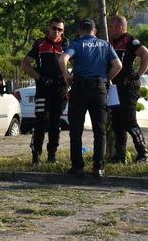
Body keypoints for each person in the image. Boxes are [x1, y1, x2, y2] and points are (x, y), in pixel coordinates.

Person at [59, 19, 122, 178]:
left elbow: (62, 59)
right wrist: (106, 79)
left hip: (79, 88)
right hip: (99, 88)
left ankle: (77, 167)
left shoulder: (77, 44)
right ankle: (98, 167)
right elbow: (118, 65)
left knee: (76, 130)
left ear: (80, 31)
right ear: (95, 30)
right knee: (99, 130)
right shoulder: (105, 45)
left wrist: (66, 75)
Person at [21, 17, 68, 166]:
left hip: (60, 89)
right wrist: (40, 77)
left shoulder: (67, 45)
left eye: (60, 29)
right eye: (54, 28)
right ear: (49, 27)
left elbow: (78, 64)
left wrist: (69, 80)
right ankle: (36, 155)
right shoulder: (39, 44)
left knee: (55, 123)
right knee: (41, 122)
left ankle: (52, 155)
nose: (57, 32)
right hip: (43, 89)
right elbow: (25, 64)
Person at [108, 15, 148, 163]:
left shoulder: (130, 41)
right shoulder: (111, 42)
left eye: (112, 27)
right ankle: (120, 156)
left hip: (128, 87)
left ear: (121, 27)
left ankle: (143, 153)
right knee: (117, 123)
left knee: (129, 121)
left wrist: (137, 74)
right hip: (115, 88)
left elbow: (147, 55)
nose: (110, 29)